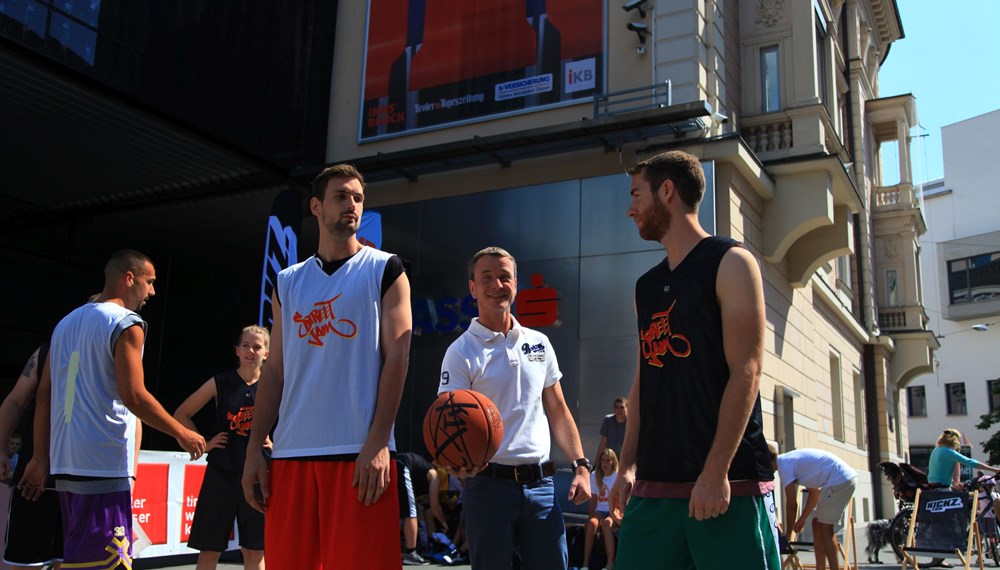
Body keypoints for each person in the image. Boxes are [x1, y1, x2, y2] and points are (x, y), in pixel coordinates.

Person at [610, 150, 779, 569]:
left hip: (725, 485)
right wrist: (626, 465)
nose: (630, 209)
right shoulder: (645, 287)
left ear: (667, 191)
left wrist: (716, 470)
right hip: (654, 487)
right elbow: (643, 380)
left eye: (636, 194)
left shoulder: (731, 262)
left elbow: (747, 370)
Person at [241, 164, 412, 569]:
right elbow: (276, 371)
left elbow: (398, 357)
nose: (352, 204)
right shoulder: (287, 280)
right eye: (341, 196)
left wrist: (377, 442)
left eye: (357, 197)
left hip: (358, 455)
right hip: (291, 455)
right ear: (316, 206)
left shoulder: (385, 269)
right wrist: (254, 448)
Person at [20, 249, 206, 569]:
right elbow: (134, 396)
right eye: (149, 282)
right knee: (109, 563)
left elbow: (44, 394)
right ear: (128, 278)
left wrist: (40, 456)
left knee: (79, 560)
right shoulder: (126, 323)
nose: (152, 291)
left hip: (66, 463)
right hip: (103, 463)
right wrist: (183, 433)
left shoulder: (64, 323)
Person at [438, 246, 591, 570]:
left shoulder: (539, 342)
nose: (497, 285)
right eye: (487, 277)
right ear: (473, 287)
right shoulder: (461, 351)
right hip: (488, 487)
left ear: (516, 284)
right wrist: (455, 464)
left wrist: (581, 466)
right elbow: (447, 422)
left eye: (505, 277)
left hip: (542, 487)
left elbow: (559, 410)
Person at [173, 325, 271, 570]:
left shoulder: (274, 385)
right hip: (222, 473)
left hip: (259, 475)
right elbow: (181, 414)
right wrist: (203, 443)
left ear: (267, 353)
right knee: (209, 550)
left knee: (255, 551)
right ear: (237, 351)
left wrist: (277, 445)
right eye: (246, 346)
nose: (251, 351)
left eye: (257, 347)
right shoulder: (221, 382)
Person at [0, 345, 63, 570]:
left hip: (84, 478)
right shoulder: (49, 351)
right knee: (26, 562)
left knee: (76, 562)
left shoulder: (116, 344)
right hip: (35, 476)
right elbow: (16, 400)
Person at [770, 447, 857, 570]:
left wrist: (788, 534)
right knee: (816, 524)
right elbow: (814, 493)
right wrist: (802, 519)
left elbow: (791, 504)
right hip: (842, 478)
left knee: (826, 527)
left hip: (839, 480)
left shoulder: (784, 465)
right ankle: (820, 567)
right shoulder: (792, 462)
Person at [396, 451, 448, 565]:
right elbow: (434, 505)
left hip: (393, 464)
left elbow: (428, 509)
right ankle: (411, 553)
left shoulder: (419, 473)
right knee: (411, 511)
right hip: (401, 466)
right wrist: (444, 523)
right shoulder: (434, 474)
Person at [583, 448, 620, 570]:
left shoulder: (617, 476)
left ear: (613, 462)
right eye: (603, 460)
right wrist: (590, 517)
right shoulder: (594, 476)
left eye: (608, 461)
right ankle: (585, 563)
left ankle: (610, 563)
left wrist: (618, 516)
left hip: (613, 510)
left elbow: (620, 501)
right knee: (592, 524)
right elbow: (593, 499)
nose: (605, 463)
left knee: (606, 524)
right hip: (600, 510)